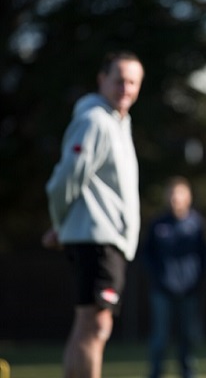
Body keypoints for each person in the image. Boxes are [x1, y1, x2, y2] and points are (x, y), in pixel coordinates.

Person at [42, 50, 145, 378]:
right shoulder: (95, 121)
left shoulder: (118, 122)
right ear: (102, 80)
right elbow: (65, 179)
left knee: (89, 324)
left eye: (133, 82)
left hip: (102, 240)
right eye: (119, 80)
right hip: (97, 240)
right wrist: (60, 224)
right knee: (96, 325)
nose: (125, 88)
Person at [142, 176, 206, 378]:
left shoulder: (196, 224)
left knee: (187, 337)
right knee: (160, 338)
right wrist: (159, 277)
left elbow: (204, 256)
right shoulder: (158, 224)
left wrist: (195, 280)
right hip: (162, 291)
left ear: (188, 197)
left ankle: (187, 373)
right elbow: (147, 255)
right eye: (172, 194)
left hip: (189, 291)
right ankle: (155, 373)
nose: (175, 199)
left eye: (179, 195)